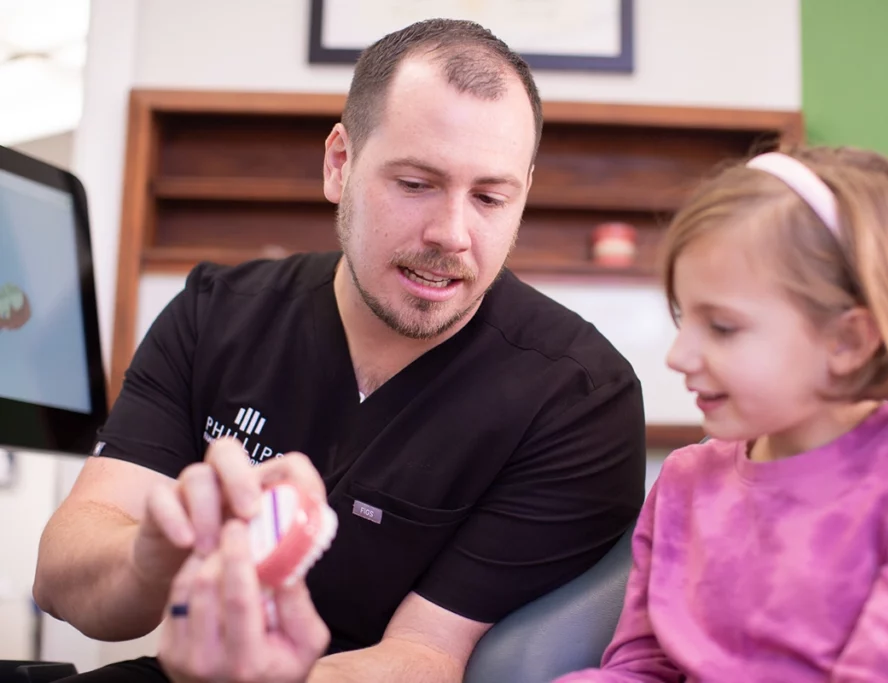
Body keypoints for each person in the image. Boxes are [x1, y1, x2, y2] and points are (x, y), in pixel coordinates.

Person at [32, 18, 646, 683]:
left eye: (491, 197)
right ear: (339, 163)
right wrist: (159, 547)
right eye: (415, 184)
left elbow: (427, 656)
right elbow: (61, 575)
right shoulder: (217, 314)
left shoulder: (577, 397)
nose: (451, 234)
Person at [554, 147, 888, 682]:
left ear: (847, 340)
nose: (678, 356)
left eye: (722, 327)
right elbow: (643, 667)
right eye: (684, 318)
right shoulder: (685, 479)